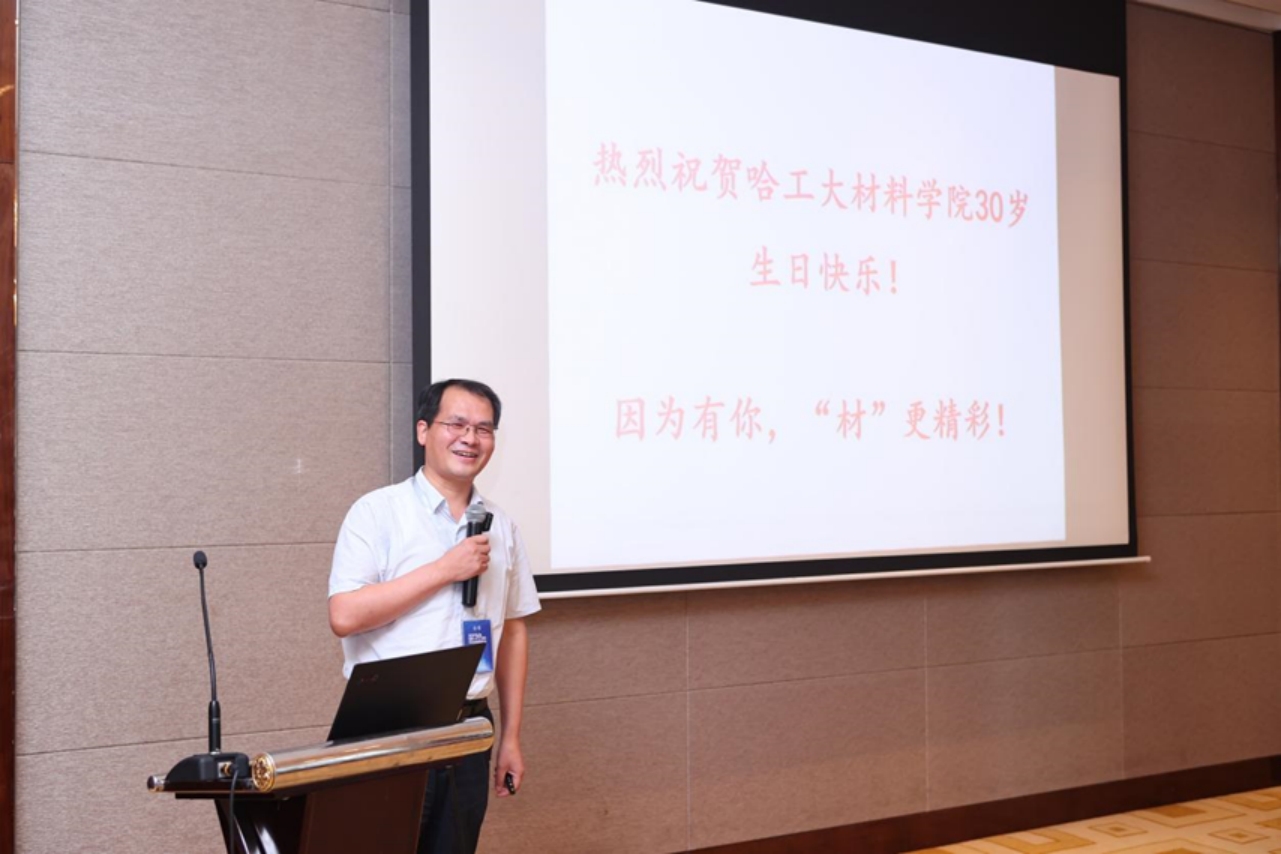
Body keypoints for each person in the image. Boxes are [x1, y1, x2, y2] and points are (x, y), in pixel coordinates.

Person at [327, 378, 541, 854]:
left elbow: (513, 630)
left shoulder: (501, 526)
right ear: (423, 431)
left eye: (484, 429)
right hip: (386, 724)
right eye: (457, 424)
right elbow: (344, 614)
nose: (471, 439)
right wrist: (444, 570)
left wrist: (510, 736)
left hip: (468, 726)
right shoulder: (378, 512)